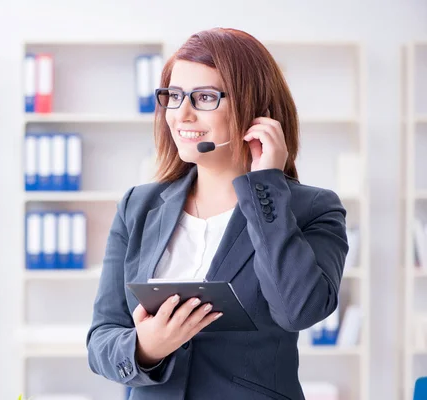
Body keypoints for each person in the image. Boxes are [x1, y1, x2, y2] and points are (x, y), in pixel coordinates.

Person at [86, 27, 349, 400]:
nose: (182, 114)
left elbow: (298, 311)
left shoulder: (312, 208)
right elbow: (101, 340)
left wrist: (266, 188)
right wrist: (146, 347)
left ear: (255, 109)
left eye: (205, 97)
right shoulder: (138, 206)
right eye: (174, 97)